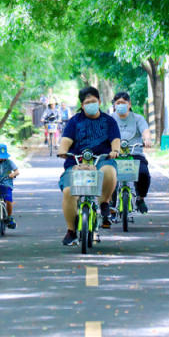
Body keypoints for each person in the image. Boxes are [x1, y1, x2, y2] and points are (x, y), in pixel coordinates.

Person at [57, 86, 120, 245]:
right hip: (77, 163)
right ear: (82, 105)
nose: (91, 104)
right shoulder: (74, 121)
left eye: (94, 101)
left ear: (99, 101)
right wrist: (63, 150)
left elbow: (115, 141)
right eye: (87, 102)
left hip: (101, 160)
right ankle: (71, 230)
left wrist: (115, 151)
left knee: (109, 171)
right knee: (69, 192)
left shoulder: (109, 121)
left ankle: (104, 202)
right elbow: (65, 141)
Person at [110, 91, 153, 213]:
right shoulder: (110, 119)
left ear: (129, 104)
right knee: (109, 173)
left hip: (135, 153)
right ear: (114, 105)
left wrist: (147, 139)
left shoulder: (137, 118)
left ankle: (140, 198)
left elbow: (145, 130)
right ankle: (111, 202)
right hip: (115, 153)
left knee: (143, 173)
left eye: (123, 102)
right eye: (118, 103)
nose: (120, 105)